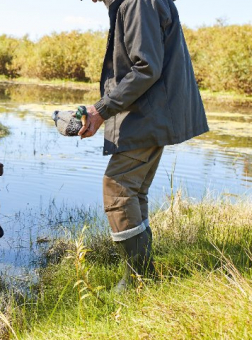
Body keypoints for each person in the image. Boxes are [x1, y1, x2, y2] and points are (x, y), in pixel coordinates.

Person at [79, 0, 209, 291]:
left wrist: (101, 110)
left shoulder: (137, 2)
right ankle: (143, 276)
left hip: (150, 114)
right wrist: (98, 110)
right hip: (150, 113)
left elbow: (146, 67)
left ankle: (137, 281)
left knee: (118, 188)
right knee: (133, 191)